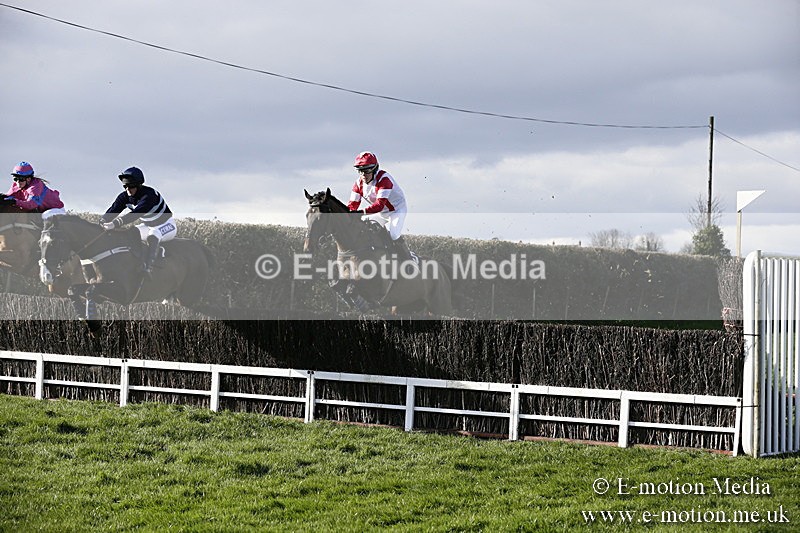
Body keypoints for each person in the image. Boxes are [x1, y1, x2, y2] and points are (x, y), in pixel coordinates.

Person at [99, 166, 176, 274]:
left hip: (167, 225)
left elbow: (135, 214)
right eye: (125, 186)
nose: (128, 190)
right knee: (131, 233)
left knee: (154, 235)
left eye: (131, 186)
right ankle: (137, 261)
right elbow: (114, 209)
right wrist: (102, 221)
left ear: (139, 185)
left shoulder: (149, 195)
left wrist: (115, 224)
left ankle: (149, 268)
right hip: (148, 226)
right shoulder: (124, 196)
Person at [346, 151, 413, 261]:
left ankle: (408, 260)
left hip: (396, 210)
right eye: (360, 171)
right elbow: (352, 205)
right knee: (364, 229)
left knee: (394, 235)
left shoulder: (384, 179)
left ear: (374, 169)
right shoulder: (358, 184)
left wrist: (360, 213)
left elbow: (379, 205)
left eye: (366, 170)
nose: (363, 175)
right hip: (381, 213)